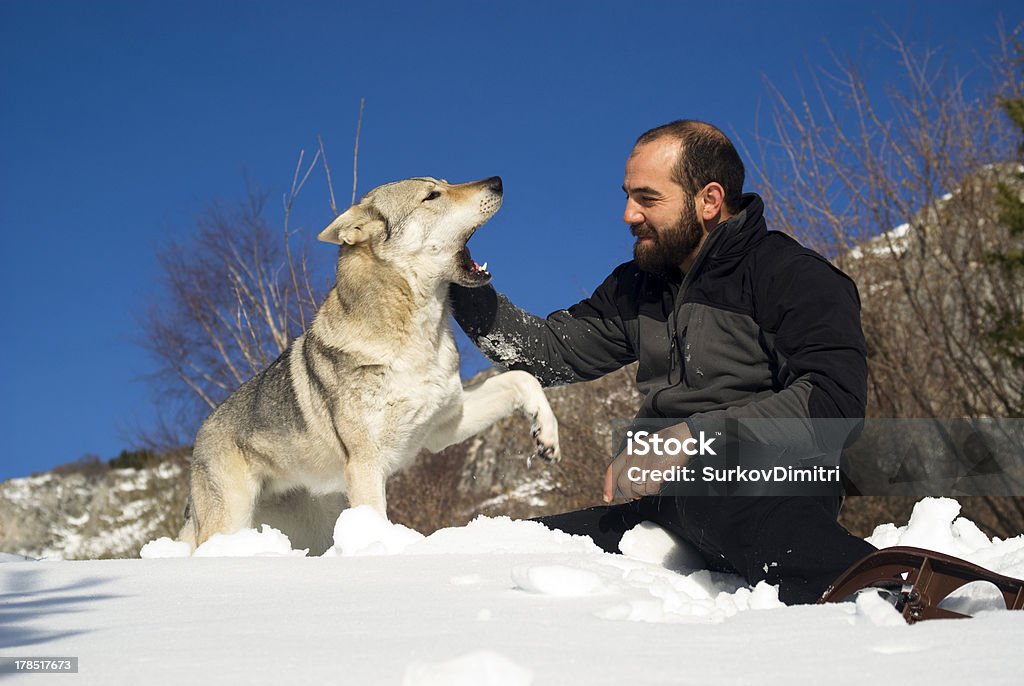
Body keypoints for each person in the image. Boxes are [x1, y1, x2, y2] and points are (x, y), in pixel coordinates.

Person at [450, 120, 876, 604]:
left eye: (648, 199)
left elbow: (835, 405)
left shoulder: (792, 277)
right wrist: (455, 272)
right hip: (664, 502)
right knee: (521, 550)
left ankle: (887, 584)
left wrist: (693, 439)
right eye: (628, 195)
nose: (629, 214)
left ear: (709, 201)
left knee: (718, 500)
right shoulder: (639, 285)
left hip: (771, 489)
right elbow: (546, 352)